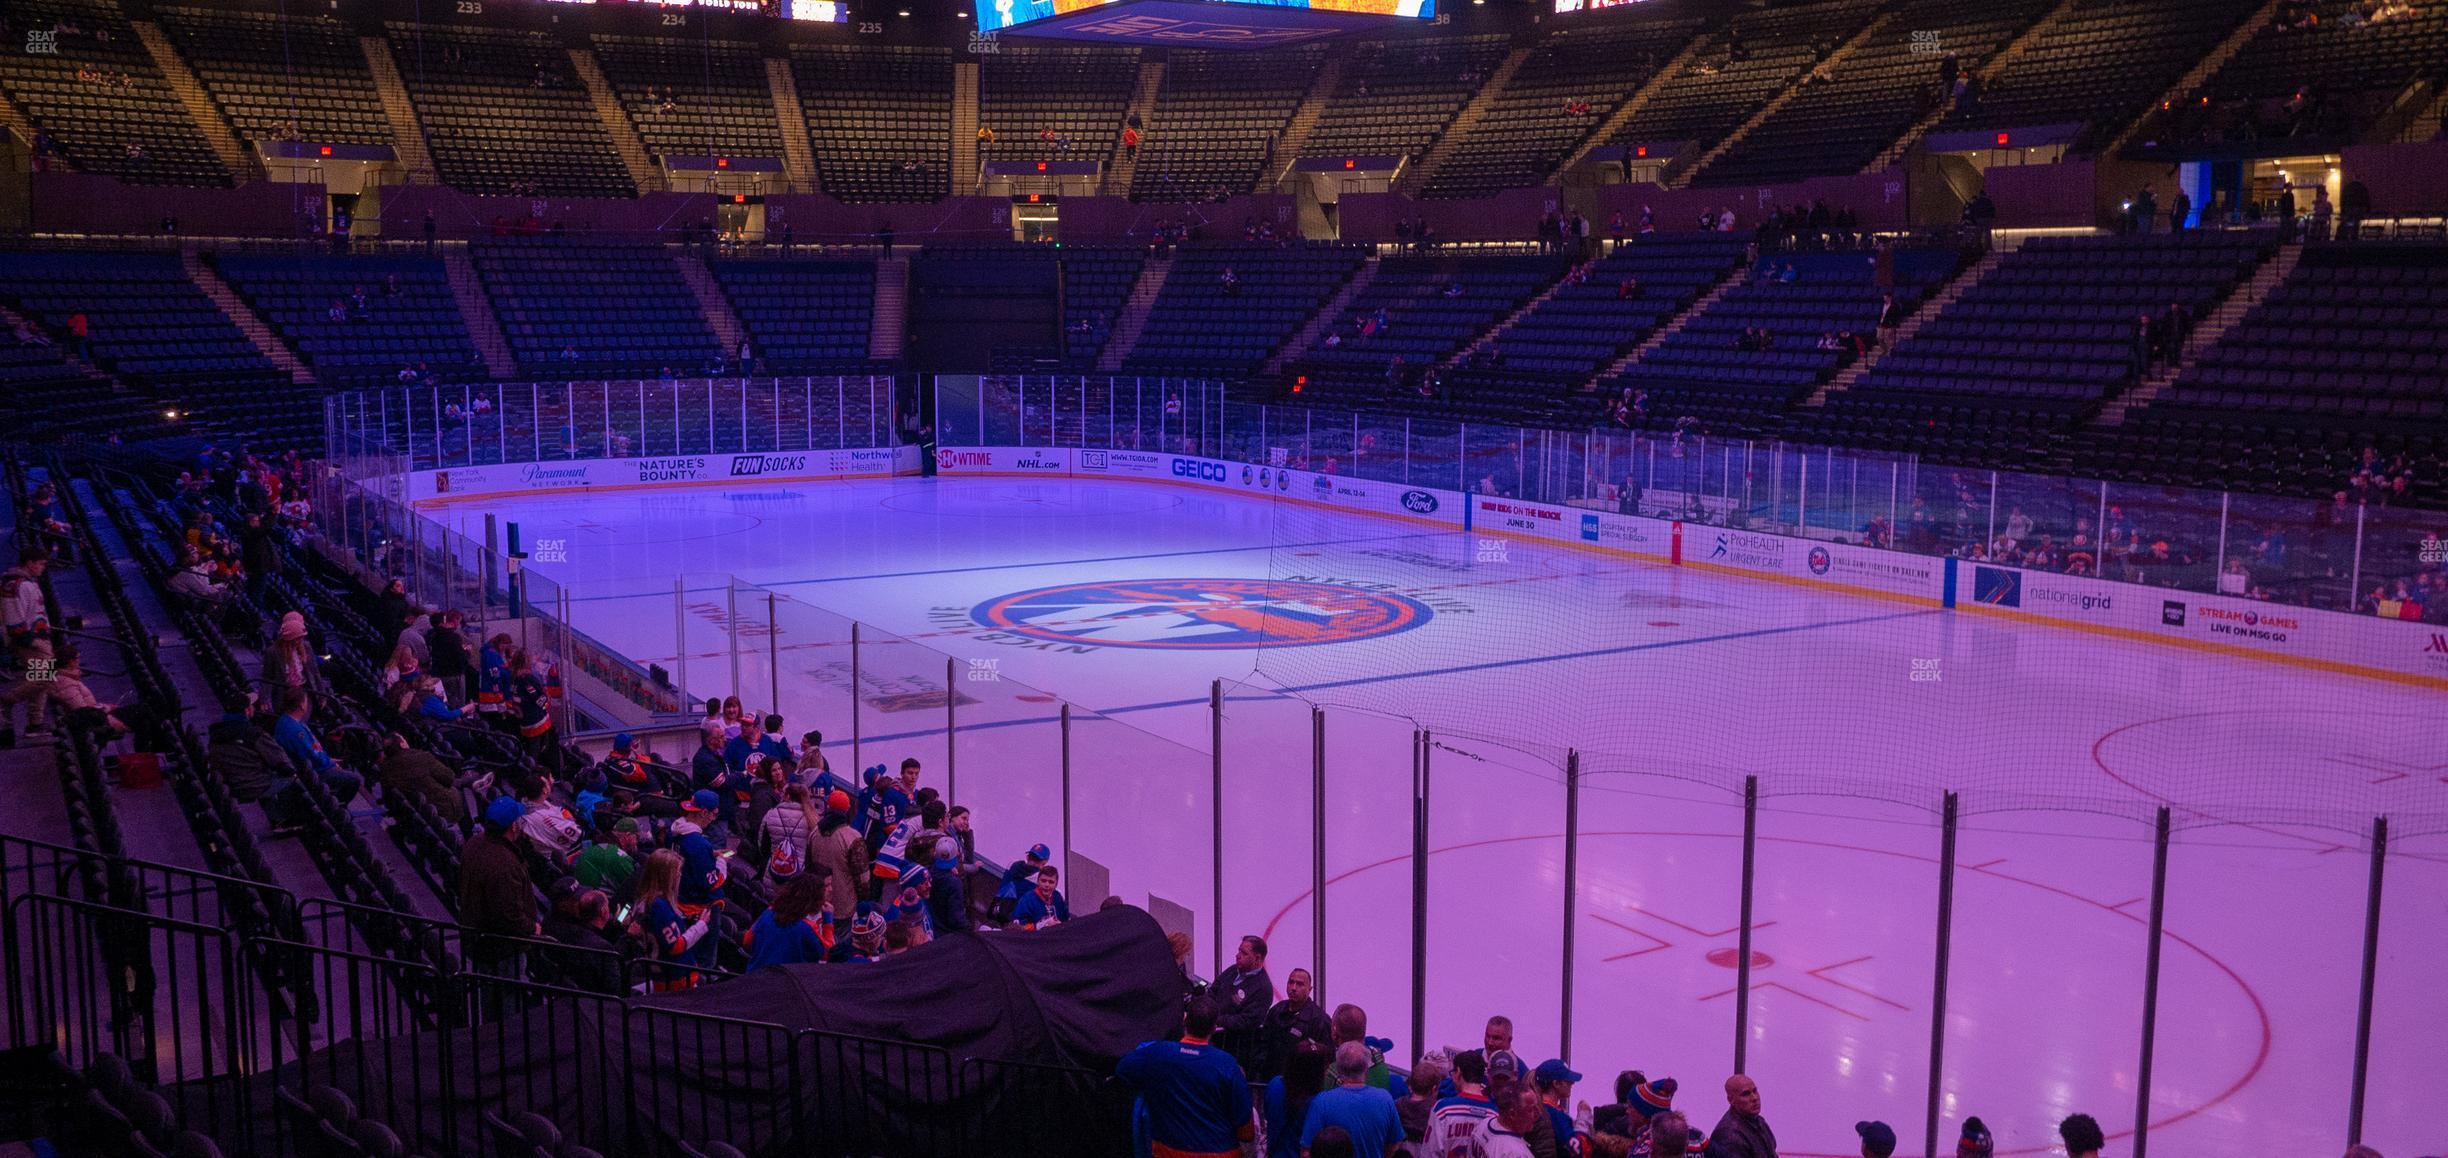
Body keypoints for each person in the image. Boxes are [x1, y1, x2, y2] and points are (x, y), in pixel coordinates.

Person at [1115, 998, 1255, 1158]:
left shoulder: (1156, 1054)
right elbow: (1246, 1133)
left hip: (1168, 1152)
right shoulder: (1227, 1064)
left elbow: (1122, 1069)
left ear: (1185, 1021)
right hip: (1221, 1152)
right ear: (1214, 1027)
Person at [460, 797, 540, 976]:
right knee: (507, 997)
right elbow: (508, 915)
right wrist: (531, 927)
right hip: (502, 948)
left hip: (480, 936)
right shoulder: (504, 865)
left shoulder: (475, 843)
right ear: (513, 826)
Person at [1300, 1041, 1401, 1158]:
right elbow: (1394, 1145)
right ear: (1366, 1069)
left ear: (1338, 1069)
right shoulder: (1385, 1099)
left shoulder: (1321, 1102)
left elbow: (1306, 1151)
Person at [631, 847, 714, 989]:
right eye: (678, 872)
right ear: (667, 876)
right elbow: (675, 947)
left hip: (663, 975)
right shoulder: (658, 906)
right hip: (676, 978)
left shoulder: (644, 900)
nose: (680, 876)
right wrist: (701, 925)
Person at [744, 871, 836, 971]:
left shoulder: (769, 912)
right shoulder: (806, 928)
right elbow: (828, 953)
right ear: (814, 900)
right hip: (782, 982)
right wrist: (828, 921)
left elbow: (747, 941)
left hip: (753, 976)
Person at [378, 729, 470, 826]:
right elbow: (449, 777)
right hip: (440, 811)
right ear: (402, 744)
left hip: (415, 810)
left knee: (462, 783)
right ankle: (469, 832)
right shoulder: (421, 757)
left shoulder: (384, 768)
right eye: (403, 739)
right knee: (458, 791)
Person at [1257, 965, 1333, 1081]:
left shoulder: (1319, 1020)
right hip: (1272, 1080)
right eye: (1291, 982)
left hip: (1303, 1084)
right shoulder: (1276, 1011)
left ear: (1310, 989)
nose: (1293, 987)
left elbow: (1327, 1057)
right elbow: (1263, 1045)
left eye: (1300, 984)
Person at [1213, 934, 1275, 1073]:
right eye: (1239, 950)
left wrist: (1216, 1019)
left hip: (1234, 1051)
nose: (1237, 955)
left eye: (1244, 953)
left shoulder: (1263, 988)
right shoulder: (1232, 971)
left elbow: (1246, 1021)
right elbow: (1213, 991)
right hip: (1212, 1040)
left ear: (1257, 958)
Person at [810, 789, 870, 927]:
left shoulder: (814, 832)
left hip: (818, 902)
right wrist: (863, 900)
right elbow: (863, 878)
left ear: (828, 807)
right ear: (848, 809)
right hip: (844, 907)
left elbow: (809, 866)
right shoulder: (853, 837)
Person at [1423, 1048, 1497, 1156]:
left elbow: (1429, 1153)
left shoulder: (1443, 1109)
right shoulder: (1495, 1114)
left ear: (1458, 1072)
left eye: (1452, 1072)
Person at [1264, 1040, 1331, 1158]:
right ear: (1314, 1072)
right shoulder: (1318, 1102)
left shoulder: (1274, 1085)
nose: (1327, 1072)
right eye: (1325, 1067)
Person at [1469, 1083, 1544, 1158]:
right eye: (1530, 1110)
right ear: (1512, 1114)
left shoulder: (1483, 1124)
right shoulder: (1516, 1154)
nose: (1537, 1113)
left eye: (1536, 1107)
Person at [1709, 1074, 1775, 1158]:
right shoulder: (1729, 1134)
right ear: (1731, 1100)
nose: (1754, 1098)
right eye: (1746, 1094)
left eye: (1755, 1091)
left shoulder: (1759, 1122)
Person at [575, 813, 640, 895]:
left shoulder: (590, 843)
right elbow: (635, 889)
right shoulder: (619, 858)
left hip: (584, 892)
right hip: (598, 900)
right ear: (628, 836)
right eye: (637, 838)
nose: (636, 843)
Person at [1533, 1060, 1582, 1156]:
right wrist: (1584, 1116)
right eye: (1567, 1081)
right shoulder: (1556, 1115)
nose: (1572, 1083)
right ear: (1556, 1084)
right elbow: (1578, 1150)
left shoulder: (1534, 1109)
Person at [1012, 863, 1069, 930]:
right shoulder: (1027, 899)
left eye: (1051, 882)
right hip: (1035, 938)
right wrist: (1038, 926)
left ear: (1056, 884)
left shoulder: (1058, 897)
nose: (1047, 885)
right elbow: (1017, 926)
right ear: (1038, 881)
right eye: (1043, 881)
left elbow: (1066, 920)